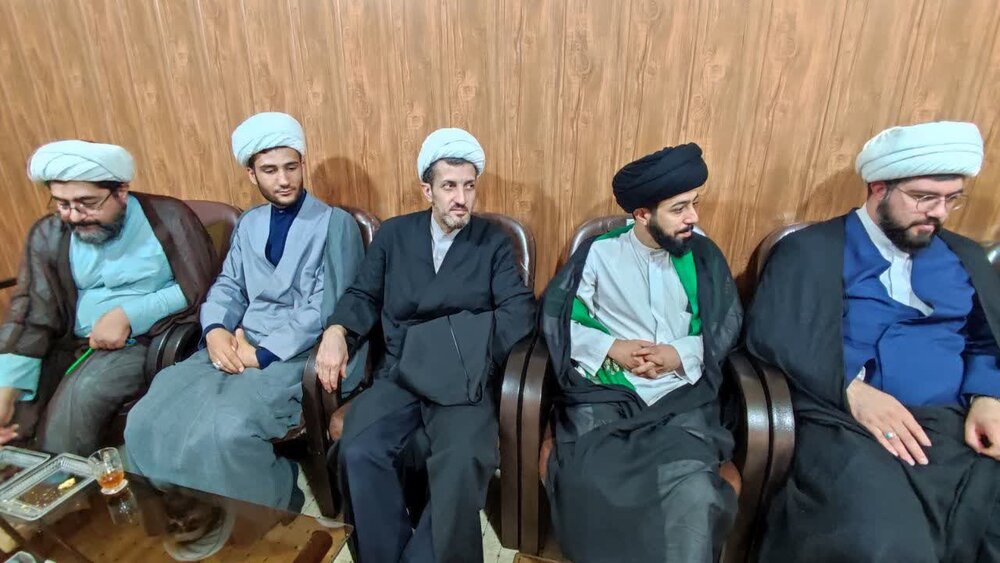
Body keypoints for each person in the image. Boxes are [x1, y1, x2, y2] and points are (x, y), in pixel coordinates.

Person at [747, 121, 1000, 561]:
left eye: (951, 199)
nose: (939, 213)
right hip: (845, 424)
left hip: (955, 423)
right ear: (878, 187)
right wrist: (852, 389)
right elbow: (778, 336)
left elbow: (986, 339)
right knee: (882, 539)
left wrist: (987, 398)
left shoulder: (966, 257)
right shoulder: (812, 251)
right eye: (923, 197)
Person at [315, 128, 536, 562]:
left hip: (464, 379)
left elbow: (519, 312)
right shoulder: (394, 235)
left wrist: (460, 350)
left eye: (469, 186)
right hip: (401, 373)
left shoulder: (492, 241)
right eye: (449, 186)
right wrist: (337, 331)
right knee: (357, 448)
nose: (461, 198)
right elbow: (363, 294)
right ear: (427, 190)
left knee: (461, 461)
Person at [125, 112, 364, 509]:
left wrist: (263, 354)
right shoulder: (249, 223)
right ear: (252, 175)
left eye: (291, 167)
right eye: (270, 170)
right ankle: (184, 509)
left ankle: (269, 508)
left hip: (296, 353)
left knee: (227, 429)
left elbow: (327, 305)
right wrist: (216, 329)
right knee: (148, 416)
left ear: (302, 165)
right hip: (239, 341)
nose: (283, 179)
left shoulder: (333, 224)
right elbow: (229, 285)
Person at [539, 143, 742, 562]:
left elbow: (727, 323)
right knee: (589, 481)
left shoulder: (704, 255)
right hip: (607, 391)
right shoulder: (600, 253)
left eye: (694, 204)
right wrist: (611, 346)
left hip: (681, 393)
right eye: (679, 208)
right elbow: (558, 318)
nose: (693, 217)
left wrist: (679, 353)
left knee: (693, 490)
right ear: (642, 214)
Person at [0, 140, 214, 453]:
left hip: (140, 341)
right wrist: (7, 386)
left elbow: (199, 287)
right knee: (17, 406)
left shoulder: (169, 218)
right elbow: (32, 310)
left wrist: (129, 315)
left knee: (79, 398)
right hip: (68, 340)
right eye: (62, 204)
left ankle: (67, 481)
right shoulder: (49, 233)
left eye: (87, 203)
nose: (74, 216)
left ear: (121, 192)